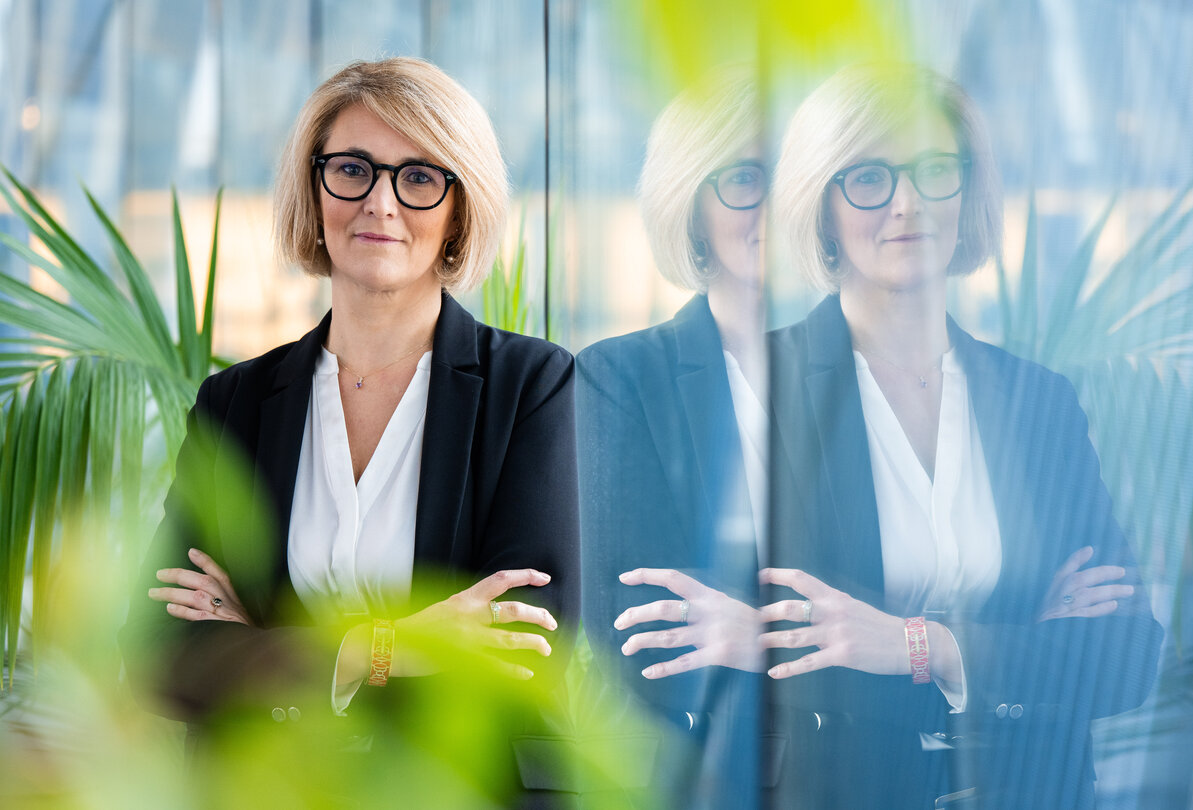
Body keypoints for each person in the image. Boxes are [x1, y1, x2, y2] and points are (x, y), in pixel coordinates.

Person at [120, 57, 578, 802]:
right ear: (314, 186)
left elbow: (525, 641)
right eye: (353, 169)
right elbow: (164, 655)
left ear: (460, 208)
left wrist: (260, 647)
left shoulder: (530, 386)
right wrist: (388, 649)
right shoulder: (233, 403)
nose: (380, 203)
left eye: (420, 177)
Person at [763, 62, 1162, 809]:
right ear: (821, 206)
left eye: (934, 168)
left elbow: (1123, 653)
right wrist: (1020, 644)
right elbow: (778, 653)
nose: (907, 202)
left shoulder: (1037, 400)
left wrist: (917, 646)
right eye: (869, 177)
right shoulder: (762, 391)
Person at [577, 66, 767, 809]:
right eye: (744, 178)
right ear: (691, 205)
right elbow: (645, 637)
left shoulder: (875, 374)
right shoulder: (618, 379)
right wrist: (878, 641)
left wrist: (750, 626)